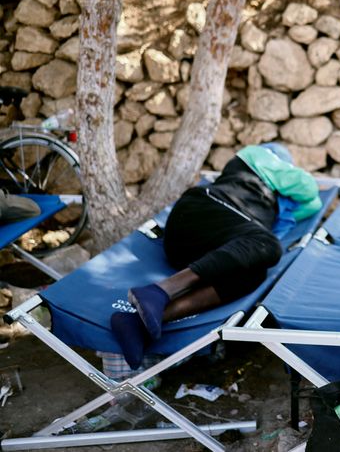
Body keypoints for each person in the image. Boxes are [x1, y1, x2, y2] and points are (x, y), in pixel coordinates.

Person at [111, 143, 321, 369]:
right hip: (200, 211)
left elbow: (313, 206)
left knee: (253, 273)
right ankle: (160, 290)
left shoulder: (263, 213)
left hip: (199, 253)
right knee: (267, 244)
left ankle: (138, 322)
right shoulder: (256, 155)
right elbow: (310, 190)